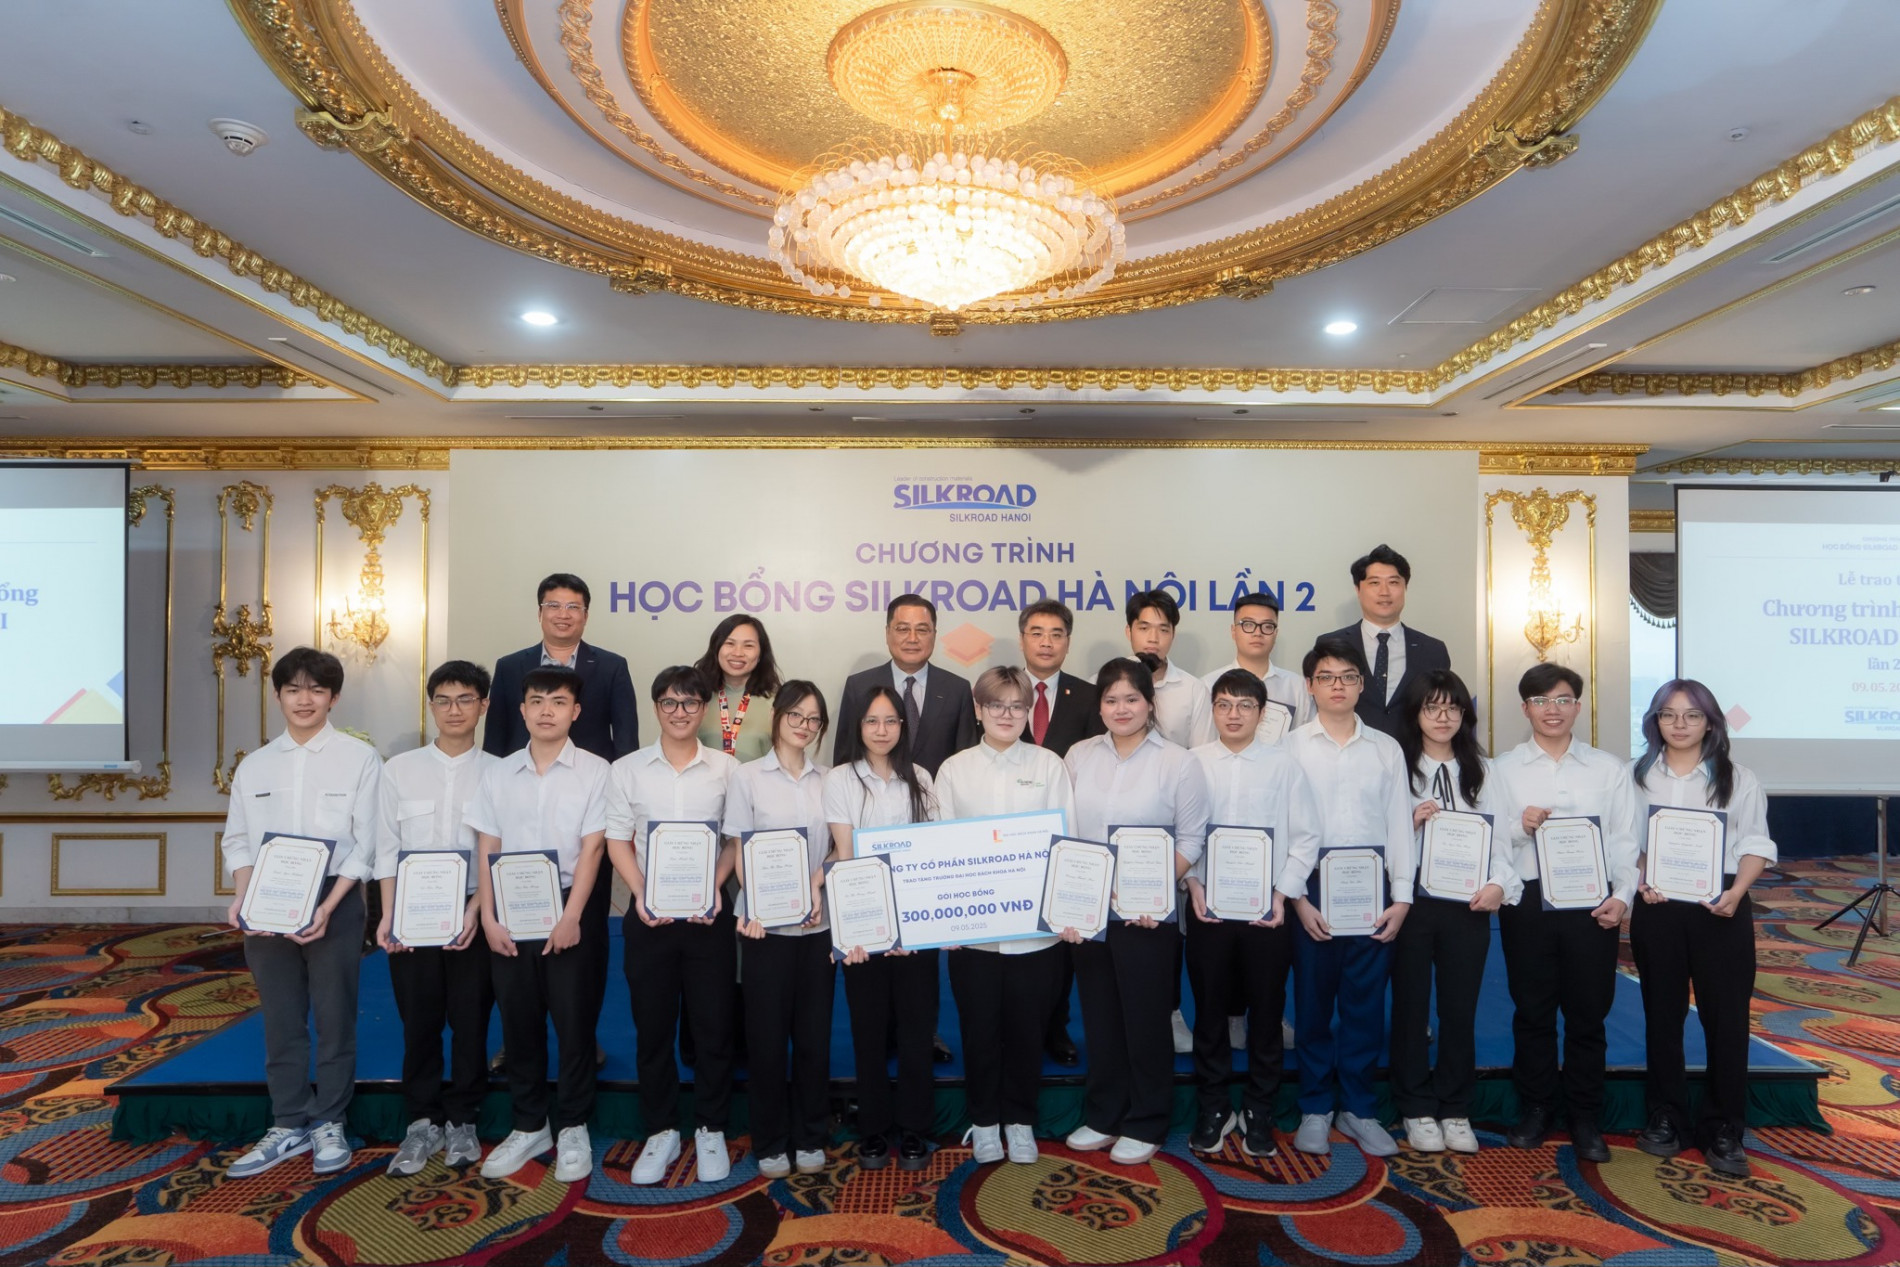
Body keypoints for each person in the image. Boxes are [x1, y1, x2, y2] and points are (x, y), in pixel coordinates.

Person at [221, 646, 382, 1180]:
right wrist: (244, 896)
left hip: (335, 899)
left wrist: (331, 906)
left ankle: (329, 1120)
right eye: (293, 689)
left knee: (335, 1017)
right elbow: (237, 839)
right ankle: (288, 1121)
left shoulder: (360, 759)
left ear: (334, 698)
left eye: (316, 689)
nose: (304, 699)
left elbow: (365, 843)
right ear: (278, 696)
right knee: (281, 1017)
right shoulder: (255, 764)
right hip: (266, 902)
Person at [1061, 655, 1212, 1166]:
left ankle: (1147, 1119)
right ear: (1099, 705)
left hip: (1147, 916)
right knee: (1100, 1016)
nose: (1121, 708)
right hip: (1090, 914)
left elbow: (1191, 839)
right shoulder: (1079, 756)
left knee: (1146, 1019)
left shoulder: (1178, 762)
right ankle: (1105, 1114)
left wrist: (1154, 892)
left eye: (1131, 698)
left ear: (1150, 703)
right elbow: (1065, 832)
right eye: (1111, 699)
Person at [485, 572, 638, 1073]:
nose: (563, 614)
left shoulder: (611, 666)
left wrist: (618, 817)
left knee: (585, 940)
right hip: (521, 824)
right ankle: (516, 1041)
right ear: (540, 612)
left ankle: (582, 1036)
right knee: (515, 944)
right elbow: (496, 745)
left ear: (586, 615)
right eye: (553, 605)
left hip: (585, 822)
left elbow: (626, 747)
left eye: (573, 607)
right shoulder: (510, 667)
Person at [468, 665, 612, 1184]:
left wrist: (573, 917)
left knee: (575, 1022)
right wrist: (487, 916)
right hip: (509, 908)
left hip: (570, 907)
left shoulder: (597, 771)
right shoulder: (497, 773)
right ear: (522, 709)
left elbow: (593, 848)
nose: (546, 711)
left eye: (558, 701)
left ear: (576, 711)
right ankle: (529, 1124)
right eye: (536, 701)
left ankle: (573, 1124)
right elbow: (488, 845)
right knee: (519, 1020)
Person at [1492, 662, 1640, 1164]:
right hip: (1527, 902)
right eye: (1540, 701)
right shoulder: (1502, 769)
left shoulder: (1609, 769)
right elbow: (1491, 838)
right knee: (1531, 1011)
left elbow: (1625, 839)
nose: (1551, 710)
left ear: (1578, 706)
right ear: (1524, 708)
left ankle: (1584, 1115)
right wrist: (1520, 826)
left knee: (1588, 1014)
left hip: (1591, 905)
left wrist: (1622, 895)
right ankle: (1535, 1107)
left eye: (1561, 700)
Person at [1630, 679, 1774, 1178]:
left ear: (1710, 723)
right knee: (1662, 1016)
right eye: (1668, 714)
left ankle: (1723, 1126)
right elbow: (1631, 843)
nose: (1680, 724)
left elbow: (1755, 843)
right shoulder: (1637, 776)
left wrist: (1738, 892)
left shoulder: (1738, 778)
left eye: (1692, 715)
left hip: (1722, 907)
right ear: (1655, 721)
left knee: (1727, 1019)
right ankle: (1665, 1116)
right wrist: (1641, 880)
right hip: (1659, 906)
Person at [934, 666, 1077, 1166]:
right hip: (974, 934)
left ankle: (1020, 1121)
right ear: (978, 710)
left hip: (1036, 935)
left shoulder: (1049, 765)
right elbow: (941, 847)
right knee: (978, 1030)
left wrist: (1069, 909)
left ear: (1028, 712)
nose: (1007, 714)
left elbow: (1066, 841)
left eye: (1017, 706)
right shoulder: (954, 770)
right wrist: (945, 919)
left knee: (1026, 1031)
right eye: (996, 704)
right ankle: (983, 1121)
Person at [605, 667, 741, 1186]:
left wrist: (716, 885)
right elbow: (618, 839)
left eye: (689, 703)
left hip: (709, 917)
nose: (679, 712)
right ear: (655, 707)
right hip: (649, 918)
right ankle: (660, 1129)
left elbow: (734, 839)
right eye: (668, 702)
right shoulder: (628, 770)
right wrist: (641, 892)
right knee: (654, 1029)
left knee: (713, 1027)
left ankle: (710, 1127)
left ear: (703, 709)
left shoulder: (728, 770)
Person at [1281, 636, 1416, 1159]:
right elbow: (1282, 826)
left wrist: (1401, 898)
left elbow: (1399, 826)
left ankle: (1359, 1108)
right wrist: (1296, 898)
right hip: (1311, 888)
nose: (1337, 686)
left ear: (1362, 685)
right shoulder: (1290, 748)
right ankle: (1315, 1106)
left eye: (1348, 677)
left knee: (1364, 1003)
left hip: (1371, 890)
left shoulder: (1385, 748)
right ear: (1309, 686)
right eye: (1326, 677)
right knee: (1313, 1004)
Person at [1182, 669, 1322, 1158]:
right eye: (1224, 704)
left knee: (1266, 1013)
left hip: (1268, 913)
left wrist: (1283, 894)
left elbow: (1306, 836)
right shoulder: (1193, 763)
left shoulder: (1284, 766)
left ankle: (1261, 1108)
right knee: (1209, 1012)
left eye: (1245, 705)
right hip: (1208, 910)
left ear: (1262, 714)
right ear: (1213, 711)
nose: (1234, 714)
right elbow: (1182, 832)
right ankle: (1214, 1106)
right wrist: (1192, 882)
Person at [374, 660, 501, 1177]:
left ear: (483, 705)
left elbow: (499, 851)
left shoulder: (500, 772)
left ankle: (464, 1118)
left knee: (471, 1021)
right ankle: (421, 1120)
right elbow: (386, 846)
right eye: (443, 700)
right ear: (431, 707)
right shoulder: (398, 770)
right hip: (412, 916)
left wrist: (477, 909)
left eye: (465, 699)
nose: (454, 710)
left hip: (473, 912)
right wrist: (389, 914)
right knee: (419, 1021)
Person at [1389, 670, 1522, 1156]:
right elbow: (1379, 837)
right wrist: (1410, 822)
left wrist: (1499, 884)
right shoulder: (1397, 767)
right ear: (1416, 714)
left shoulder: (1484, 771)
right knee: (1410, 1007)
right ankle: (1415, 1105)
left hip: (1468, 905)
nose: (1443, 717)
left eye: (1452, 708)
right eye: (1432, 707)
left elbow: (1502, 842)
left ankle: (1455, 1105)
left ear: (1465, 715)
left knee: (1459, 1008)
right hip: (1412, 902)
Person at [826, 686, 940, 1172]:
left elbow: (930, 855)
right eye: (872, 721)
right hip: (864, 930)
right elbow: (845, 856)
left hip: (915, 929)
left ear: (903, 726)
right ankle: (872, 1128)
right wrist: (866, 930)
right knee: (868, 1030)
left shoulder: (922, 778)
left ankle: (915, 1127)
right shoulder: (840, 779)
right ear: (858, 726)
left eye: (891, 721)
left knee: (917, 1031)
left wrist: (908, 928)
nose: (881, 730)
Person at [727, 682, 836, 1179]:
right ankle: (770, 1140)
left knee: (813, 1038)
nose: (804, 726)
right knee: (767, 1040)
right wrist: (761, 903)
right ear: (777, 715)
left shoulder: (830, 780)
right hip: (764, 929)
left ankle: (811, 1134)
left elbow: (838, 847)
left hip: (818, 926)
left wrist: (817, 885)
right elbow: (740, 848)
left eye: (814, 719)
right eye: (796, 715)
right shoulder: (747, 777)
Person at [1018, 597, 1101, 1067]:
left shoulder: (1089, 696)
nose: (1046, 642)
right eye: (1037, 633)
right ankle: (1019, 1026)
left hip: (1068, 839)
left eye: (1056, 634)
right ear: (1022, 639)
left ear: (1068, 642)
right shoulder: (1001, 691)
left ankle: (1056, 1026)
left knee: (1062, 941)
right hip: (1011, 842)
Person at [834, 594, 978, 777]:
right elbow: (845, 760)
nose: (912, 638)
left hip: (937, 793)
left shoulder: (957, 690)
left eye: (922, 630)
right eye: (902, 629)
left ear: (934, 635)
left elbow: (967, 762)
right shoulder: (859, 686)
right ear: (887, 633)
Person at [1321, 545, 1452, 740]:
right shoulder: (1330, 645)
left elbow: (1441, 708)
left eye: (1393, 582)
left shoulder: (1433, 650)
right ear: (1358, 589)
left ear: (1405, 588)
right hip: (1348, 751)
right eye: (1374, 583)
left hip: (1412, 754)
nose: (1384, 592)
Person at [1200, 590, 1313, 736]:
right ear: (1233, 631)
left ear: (1275, 633)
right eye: (1248, 624)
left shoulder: (1297, 687)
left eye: (1267, 626)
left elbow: (1307, 739)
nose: (1257, 633)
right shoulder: (1208, 686)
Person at [1124, 589, 1216, 750]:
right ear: (1128, 631)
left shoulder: (1194, 690)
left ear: (1173, 634)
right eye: (1144, 628)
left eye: (1163, 630)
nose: (1153, 638)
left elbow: (1203, 755)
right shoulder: (1102, 684)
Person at [694, 614, 780, 762]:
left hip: (759, 778)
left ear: (761, 653)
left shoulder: (778, 701)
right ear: (716, 648)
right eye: (729, 643)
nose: (738, 653)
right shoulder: (696, 697)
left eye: (748, 645)